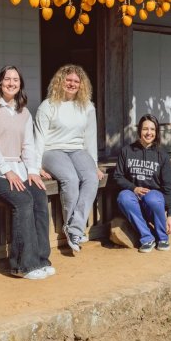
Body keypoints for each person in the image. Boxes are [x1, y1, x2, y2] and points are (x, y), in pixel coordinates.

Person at [0, 66, 52, 280]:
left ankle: (41, 259)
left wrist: (33, 171)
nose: (12, 83)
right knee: (22, 200)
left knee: (39, 197)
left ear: (20, 85)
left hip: (17, 166)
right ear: (0, 82)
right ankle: (23, 265)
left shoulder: (24, 112)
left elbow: (28, 145)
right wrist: (6, 171)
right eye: (8, 79)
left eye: (16, 79)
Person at [34, 64, 104, 254]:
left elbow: (90, 138)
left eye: (76, 81)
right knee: (70, 179)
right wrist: (36, 166)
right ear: (60, 81)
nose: (72, 84)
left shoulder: (87, 107)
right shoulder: (48, 106)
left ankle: (75, 227)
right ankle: (69, 226)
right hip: (52, 150)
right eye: (68, 80)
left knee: (91, 178)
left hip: (77, 150)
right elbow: (39, 137)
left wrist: (94, 165)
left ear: (81, 84)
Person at [112, 114, 171, 253]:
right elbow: (118, 176)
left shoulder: (162, 155)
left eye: (152, 129)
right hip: (134, 202)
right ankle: (147, 238)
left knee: (152, 197)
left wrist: (170, 214)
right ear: (139, 130)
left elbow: (169, 186)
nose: (149, 133)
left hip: (153, 203)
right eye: (145, 129)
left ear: (156, 132)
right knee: (123, 197)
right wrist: (133, 188)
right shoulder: (127, 151)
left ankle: (162, 238)